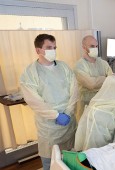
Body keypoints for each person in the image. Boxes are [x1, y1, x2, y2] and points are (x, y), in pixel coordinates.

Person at [20, 34, 78, 170]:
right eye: (49, 47)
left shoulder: (63, 66)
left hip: (69, 119)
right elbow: (34, 101)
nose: (53, 50)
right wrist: (56, 115)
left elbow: (74, 90)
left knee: (70, 155)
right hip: (49, 125)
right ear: (38, 50)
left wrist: (68, 112)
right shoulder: (30, 72)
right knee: (50, 160)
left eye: (55, 47)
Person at [74, 35, 113, 121]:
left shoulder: (103, 63)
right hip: (87, 104)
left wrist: (100, 80)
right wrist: (105, 78)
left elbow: (112, 80)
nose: (95, 48)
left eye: (96, 46)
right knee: (86, 129)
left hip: (103, 102)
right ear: (84, 47)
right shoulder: (79, 66)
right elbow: (91, 84)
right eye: (92, 46)